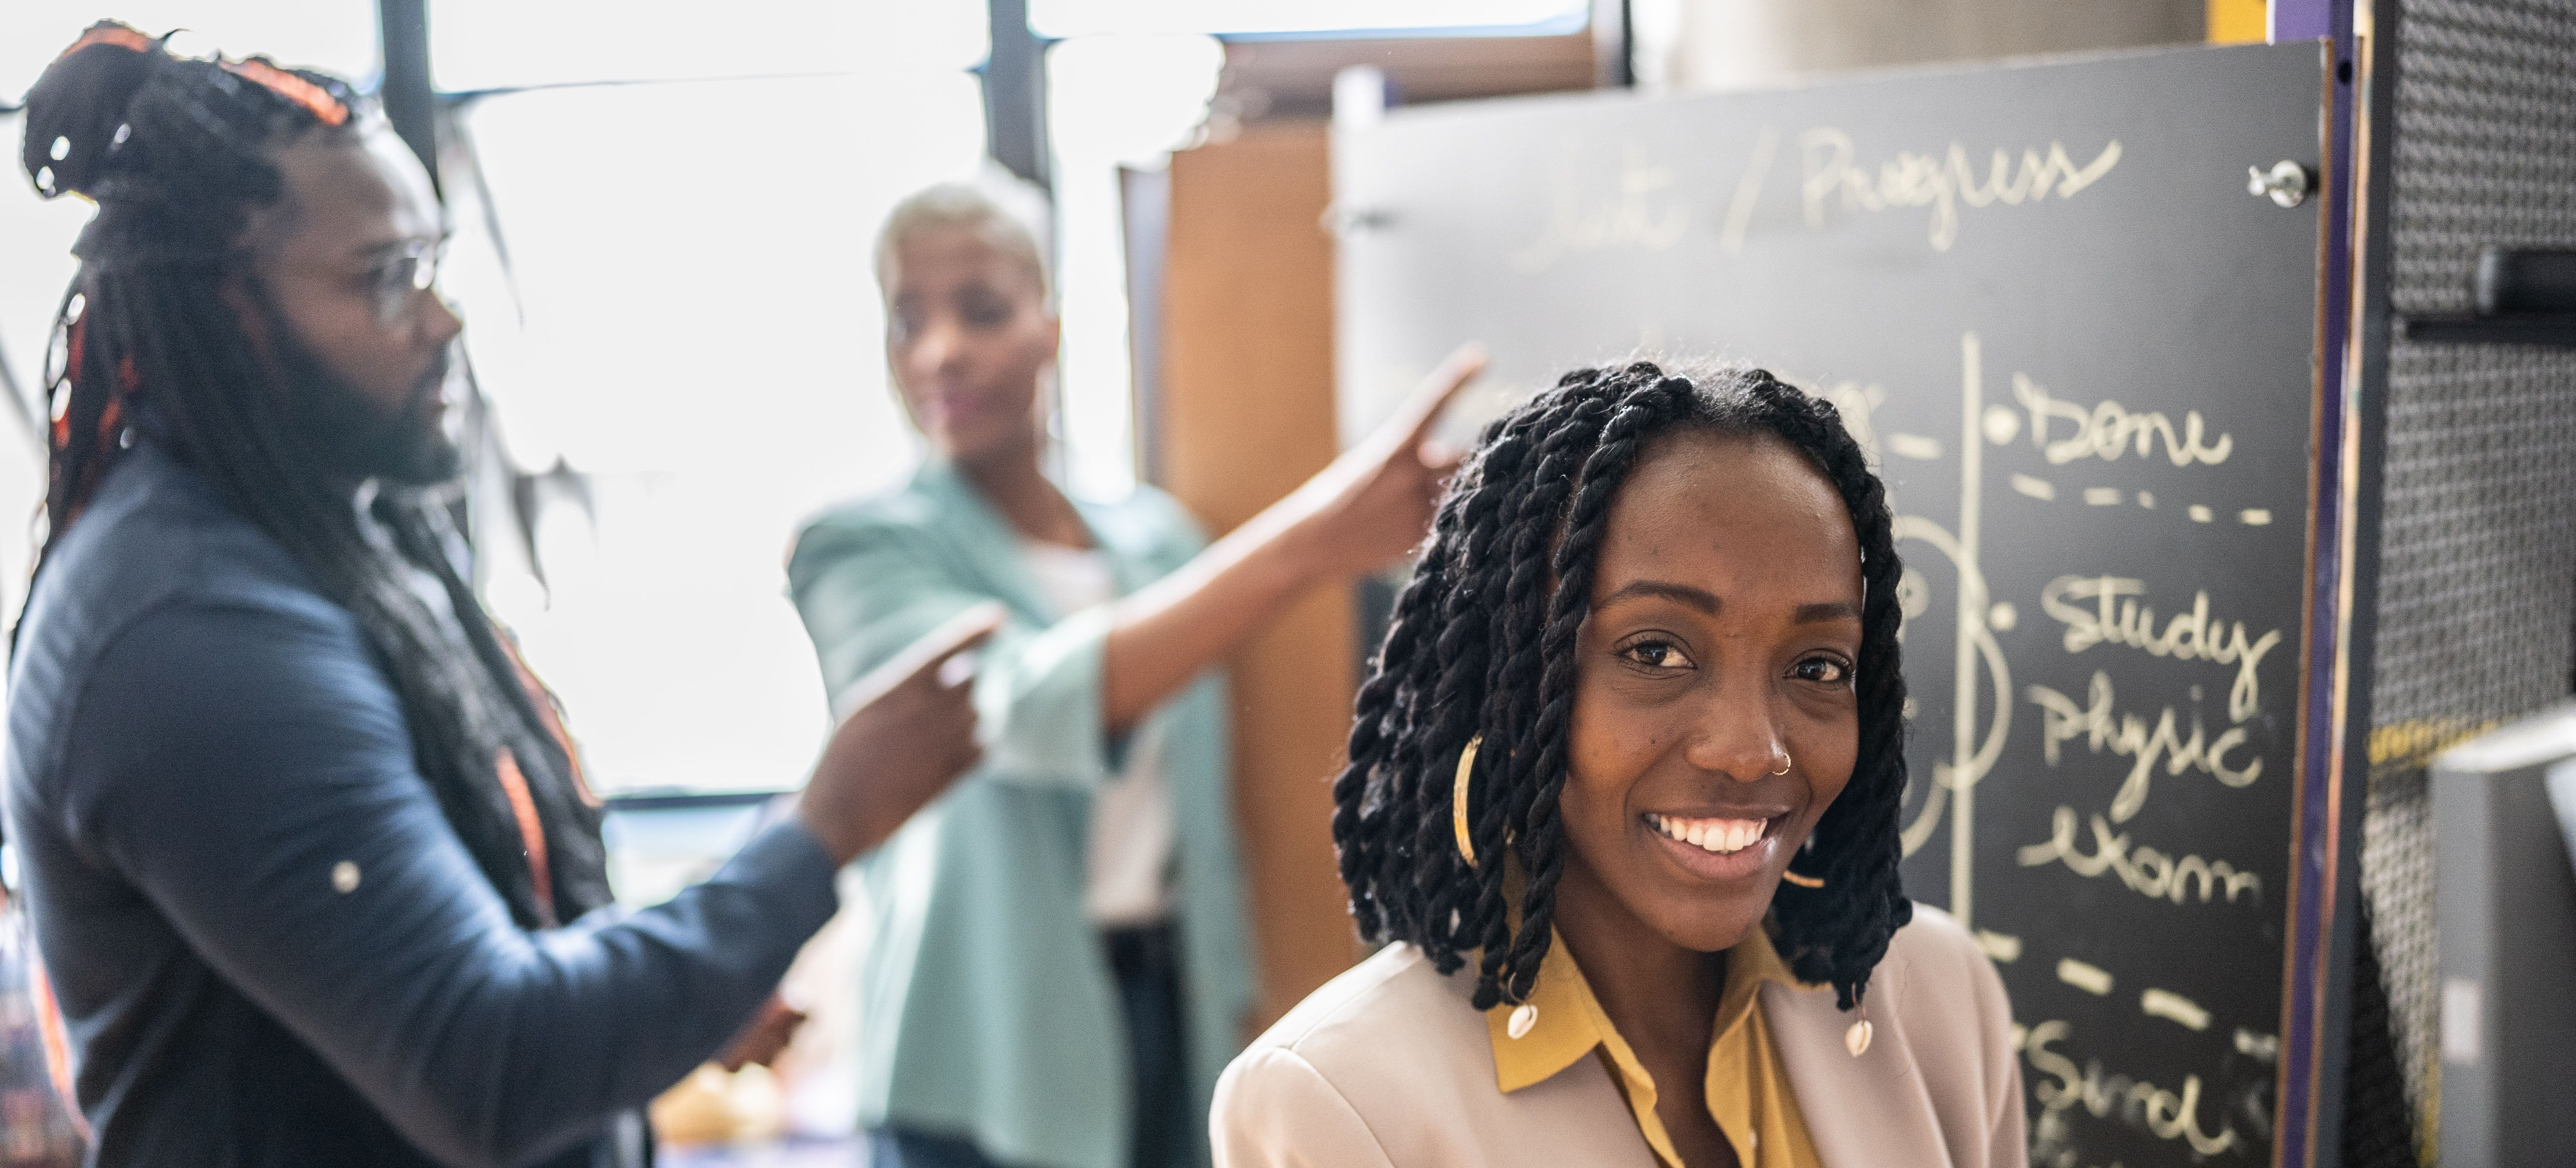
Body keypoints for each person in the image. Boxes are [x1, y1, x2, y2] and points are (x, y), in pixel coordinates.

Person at [3, 24, 999, 1167]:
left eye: (432, 265)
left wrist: (676, 992)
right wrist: (825, 827)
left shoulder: (336, 520)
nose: (444, 320)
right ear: (226, 308)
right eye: (386, 279)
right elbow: (490, 1064)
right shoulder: (190, 634)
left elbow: (464, 935)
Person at [786, 183, 1478, 1168]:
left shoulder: (1159, 544)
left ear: (1050, 327)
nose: (941, 350)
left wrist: (1230, 993)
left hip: (1168, 1012)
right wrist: (1311, 541)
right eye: (909, 320)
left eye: (981, 310)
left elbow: (1199, 814)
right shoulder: (859, 550)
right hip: (977, 1050)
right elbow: (1020, 711)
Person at [1211, 362, 2025, 1168]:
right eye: (1655, 652)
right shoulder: (1337, 1105)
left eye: (1817, 666)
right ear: (1507, 684)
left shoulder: (1940, 999)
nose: (1753, 752)